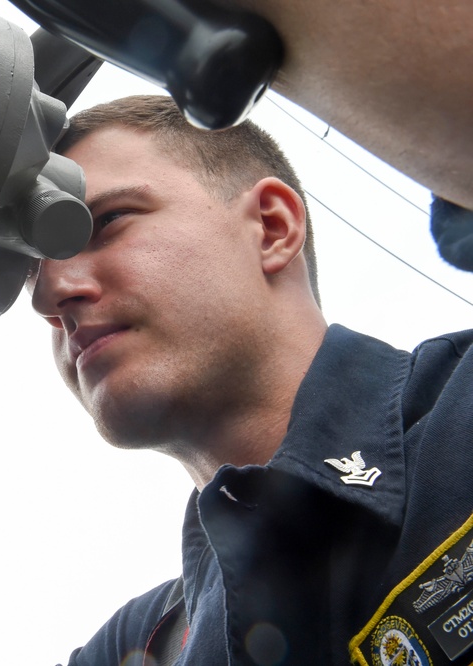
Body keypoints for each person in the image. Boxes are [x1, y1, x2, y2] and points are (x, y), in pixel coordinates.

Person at [27, 95, 473, 665]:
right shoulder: (140, 647)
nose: (49, 294)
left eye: (107, 223)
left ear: (271, 227)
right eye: (33, 271)